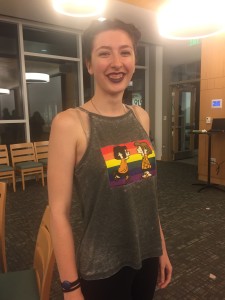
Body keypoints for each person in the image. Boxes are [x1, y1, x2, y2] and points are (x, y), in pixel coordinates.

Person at [48, 19, 172, 300]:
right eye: (104, 53)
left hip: (147, 257)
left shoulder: (141, 117)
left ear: (134, 60)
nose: (117, 62)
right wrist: (70, 287)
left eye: (125, 52)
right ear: (89, 64)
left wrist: (160, 247)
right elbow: (58, 213)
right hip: (102, 268)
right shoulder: (70, 124)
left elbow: (145, 194)